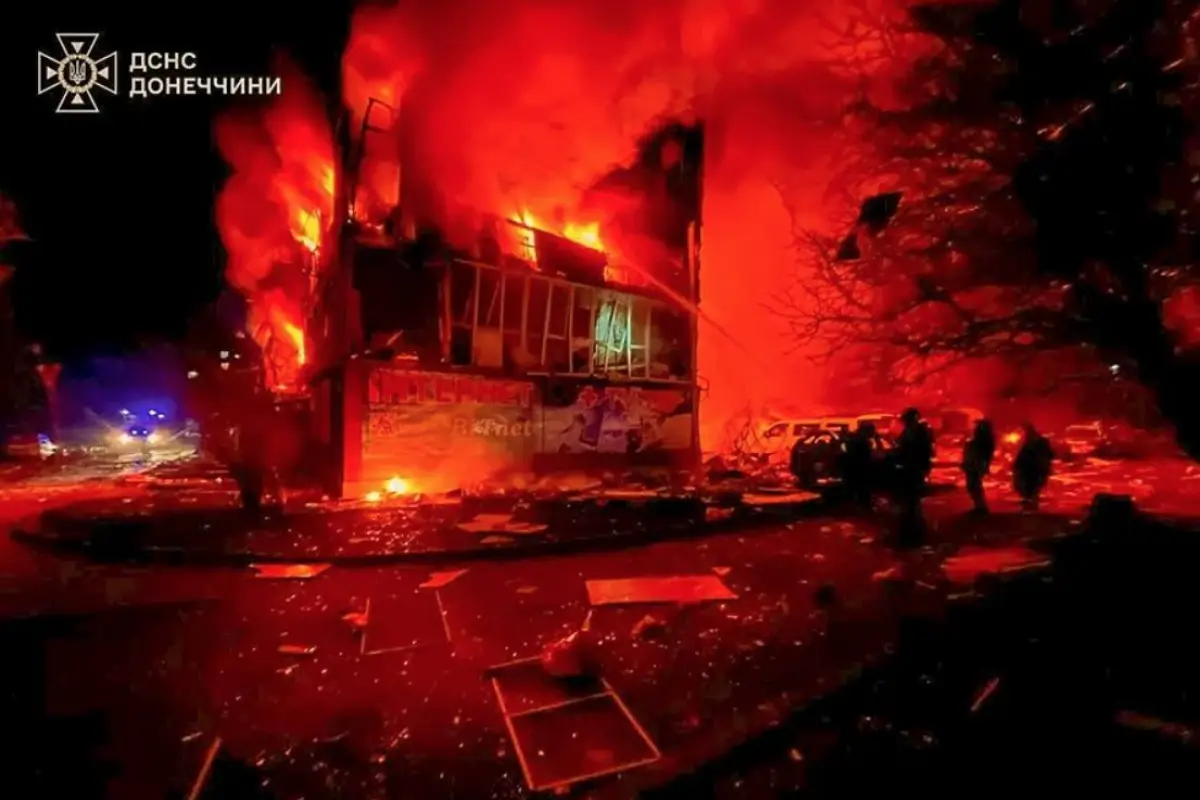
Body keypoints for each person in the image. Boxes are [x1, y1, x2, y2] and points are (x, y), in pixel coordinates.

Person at [894, 408, 933, 547]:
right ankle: (913, 530)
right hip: (910, 469)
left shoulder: (918, 433)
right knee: (910, 500)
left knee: (912, 499)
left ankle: (914, 532)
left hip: (914, 469)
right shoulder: (912, 432)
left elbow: (921, 451)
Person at [1013, 422, 1054, 511]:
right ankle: (1031, 505)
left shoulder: (1037, 443)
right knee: (1030, 488)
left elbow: (1047, 456)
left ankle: (1031, 506)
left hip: (1034, 470)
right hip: (1031, 470)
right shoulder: (1032, 443)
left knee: (1032, 488)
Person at [962, 419, 996, 514]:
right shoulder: (984, 440)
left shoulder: (984, 441)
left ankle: (981, 507)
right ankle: (979, 506)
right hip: (974, 464)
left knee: (974, 485)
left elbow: (982, 453)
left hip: (976, 464)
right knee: (973, 485)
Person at [840, 421, 876, 508]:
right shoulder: (862, 440)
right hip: (859, 469)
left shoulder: (854, 438)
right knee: (862, 490)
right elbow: (865, 456)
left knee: (855, 490)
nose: (874, 432)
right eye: (872, 430)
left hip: (853, 469)